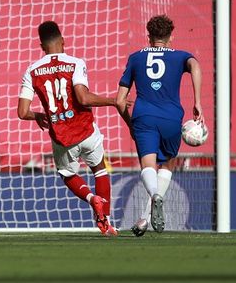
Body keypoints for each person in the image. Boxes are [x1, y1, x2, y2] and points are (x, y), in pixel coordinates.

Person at [17, 21, 118, 236]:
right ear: (63, 40)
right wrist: (113, 101)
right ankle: (106, 224)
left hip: (61, 137)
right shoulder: (75, 63)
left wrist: (38, 115)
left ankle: (92, 199)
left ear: (42, 46)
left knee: (67, 174)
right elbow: (83, 97)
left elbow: (22, 112)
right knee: (99, 170)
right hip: (86, 130)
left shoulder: (32, 71)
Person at [115, 14, 202, 235]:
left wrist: (131, 124)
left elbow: (119, 100)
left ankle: (152, 200)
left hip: (144, 116)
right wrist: (198, 101)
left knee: (148, 167)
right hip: (172, 118)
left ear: (149, 37)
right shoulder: (181, 56)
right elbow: (195, 66)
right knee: (167, 165)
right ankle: (146, 216)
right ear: (171, 36)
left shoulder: (135, 58)